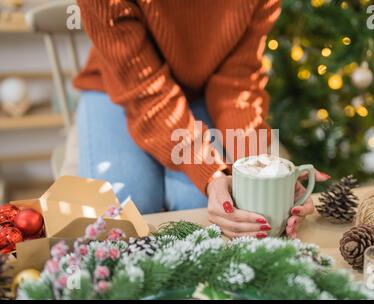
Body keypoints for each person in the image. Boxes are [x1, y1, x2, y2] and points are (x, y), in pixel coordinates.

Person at [74, 0, 330, 239]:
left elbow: (237, 84)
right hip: (122, 85)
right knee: (124, 209)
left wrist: (261, 169)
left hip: (206, 90)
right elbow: (146, 92)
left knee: (205, 208)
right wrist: (208, 172)